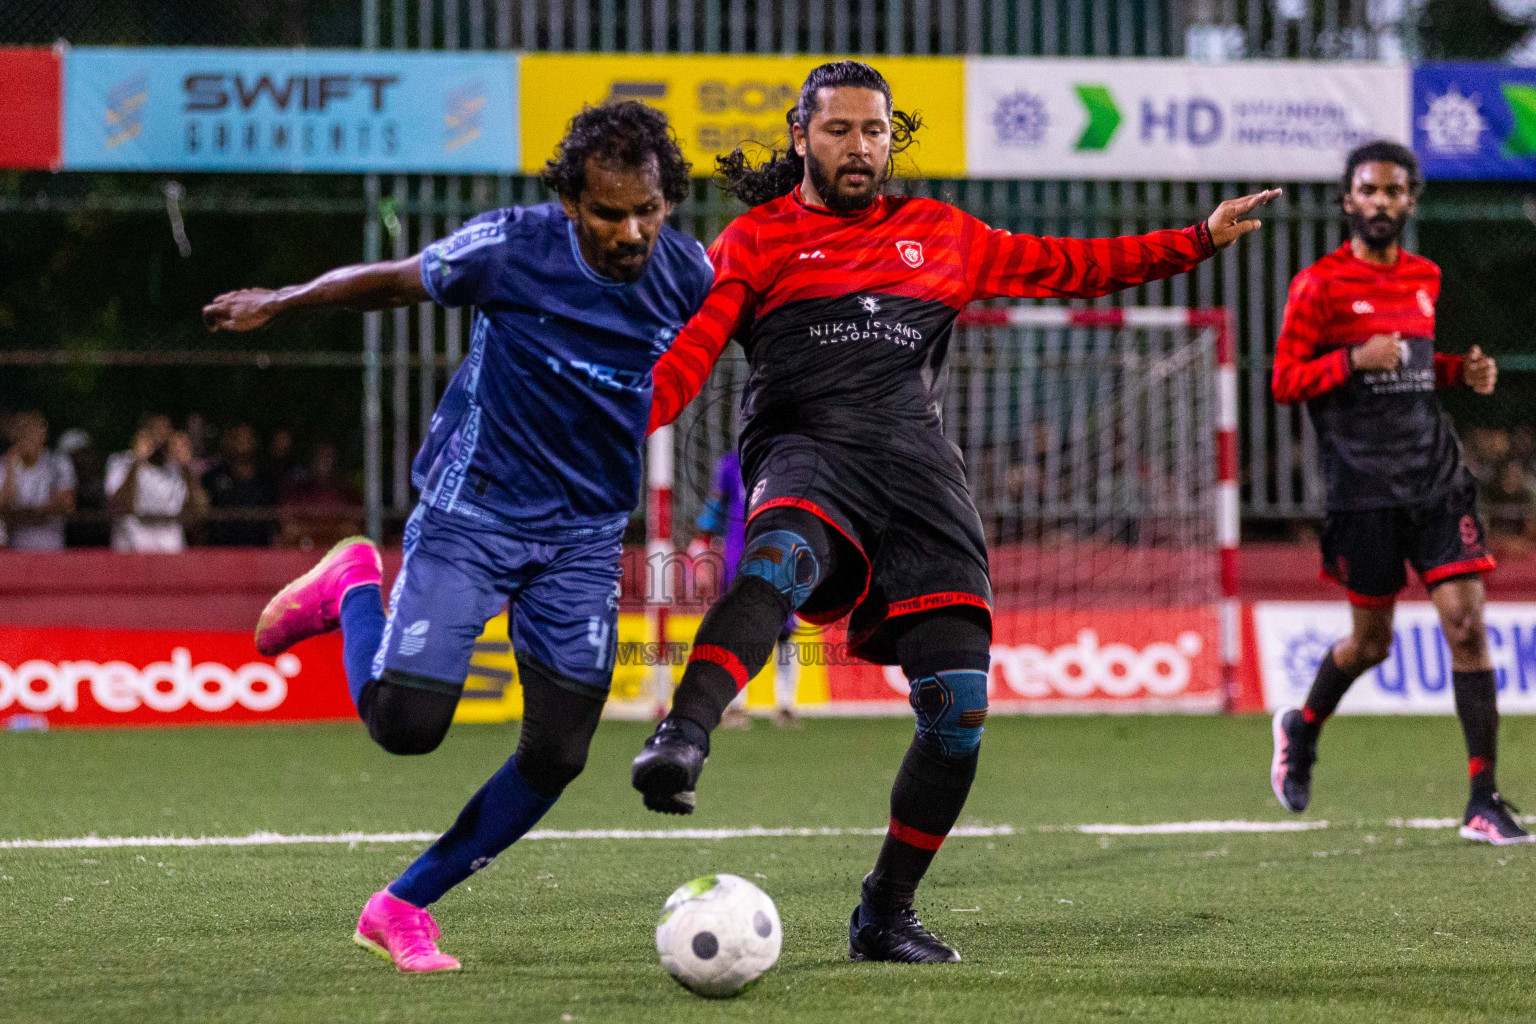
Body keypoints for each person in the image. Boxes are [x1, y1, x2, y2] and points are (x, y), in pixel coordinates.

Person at [627, 59, 1279, 964]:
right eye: (839, 130)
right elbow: (692, 351)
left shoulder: (942, 233)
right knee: (775, 563)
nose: (860, 147)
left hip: (920, 475)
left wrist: (1198, 239)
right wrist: (626, 416)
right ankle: (682, 737)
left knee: (958, 710)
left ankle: (884, 914)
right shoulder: (753, 240)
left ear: (894, 138)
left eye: (874, 131)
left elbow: (1078, 268)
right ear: (799, 135)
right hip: (808, 450)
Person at [202, 101, 711, 973]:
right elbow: (393, 281)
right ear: (569, 204)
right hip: (473, 509)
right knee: (405, 726)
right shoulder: (510, 247)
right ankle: (352, 583)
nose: (630, 232)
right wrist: (281, 302)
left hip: (585, 534)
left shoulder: (688, 274)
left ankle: (400, 906)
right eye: (608, 212)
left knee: (558, 754)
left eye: (647, 211)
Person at [1268, 141, 1525, 844]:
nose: (1381, 202)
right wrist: (1351, 357)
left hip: (1436, 480)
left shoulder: (1424, 276)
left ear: (1411, 201)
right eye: (1369, 190)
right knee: (1371, 642)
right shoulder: (1318, 285)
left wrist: (1456, 371)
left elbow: (1411, 369)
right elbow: (1284, 380)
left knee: (1468, 629)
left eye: (1394, 191)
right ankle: (1304, 726)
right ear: (1349, 201)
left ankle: (1483, 798)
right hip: (1363, 490)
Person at [695, 450, 801, 727]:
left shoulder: (791, 457)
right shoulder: (731, 463)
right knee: (737, 626)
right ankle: (736, 705)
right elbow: (715, 504)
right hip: (738, 553)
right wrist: (701, 547)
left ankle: (786, 705)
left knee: (785, 632)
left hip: (782, 549)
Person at [104, 414, 207, 553]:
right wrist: (137, 462)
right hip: (132, 552)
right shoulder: (121, 462)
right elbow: (117, 505)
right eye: (155, 431)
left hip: (170, 554)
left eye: (165, 431)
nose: (160, 438)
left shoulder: (178, 470)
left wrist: (187, 467)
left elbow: (201, 511)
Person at [0, 411, 76, 551]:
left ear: (43, 434)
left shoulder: (57, 462)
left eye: (32, 431)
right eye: (22, 431)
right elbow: (4, 505)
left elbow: (65, 505)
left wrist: (18, 517)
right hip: (16, 548)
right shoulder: (5, 465)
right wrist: (11, 467)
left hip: (51, 546)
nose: (27, 437)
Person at [202, 423, 279, 546]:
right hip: (220, 551)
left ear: (254, 442)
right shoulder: (213, 477)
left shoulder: (267, 479)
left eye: (246, 438)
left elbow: (276, 517)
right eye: (237, 438)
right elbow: (202, 514)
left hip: (259, 550)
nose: (241, 443)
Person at [279, 441, 363, 550]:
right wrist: (332, 530)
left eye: (329, 457)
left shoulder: (350, 496)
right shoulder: (298, 494)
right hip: (301, 556)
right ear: (312, 462)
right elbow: (291, 530)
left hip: (341, 557)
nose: (325, 463)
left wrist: (310, 530)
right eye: (320, 458)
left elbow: (352, 530)